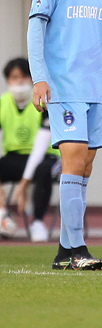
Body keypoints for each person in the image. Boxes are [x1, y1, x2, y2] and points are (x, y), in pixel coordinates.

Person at [29, 0, 102, 270]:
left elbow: (94, 42)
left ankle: (66, 250)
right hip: (64, 87)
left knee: (86, 165)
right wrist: (39, 78)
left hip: (92, 89)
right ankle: (77, 249)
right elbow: (36, 29)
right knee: (74, 160)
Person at [0, 57, 60, 242]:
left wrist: (24, 183)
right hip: (15, 156)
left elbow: (40, 148)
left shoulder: (45, 101)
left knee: (43, 170)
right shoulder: (2, 103)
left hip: (46, 157)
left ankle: (38, 222)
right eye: (14, 77)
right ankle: (2, 215)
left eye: (24, 76)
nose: (19, 82)